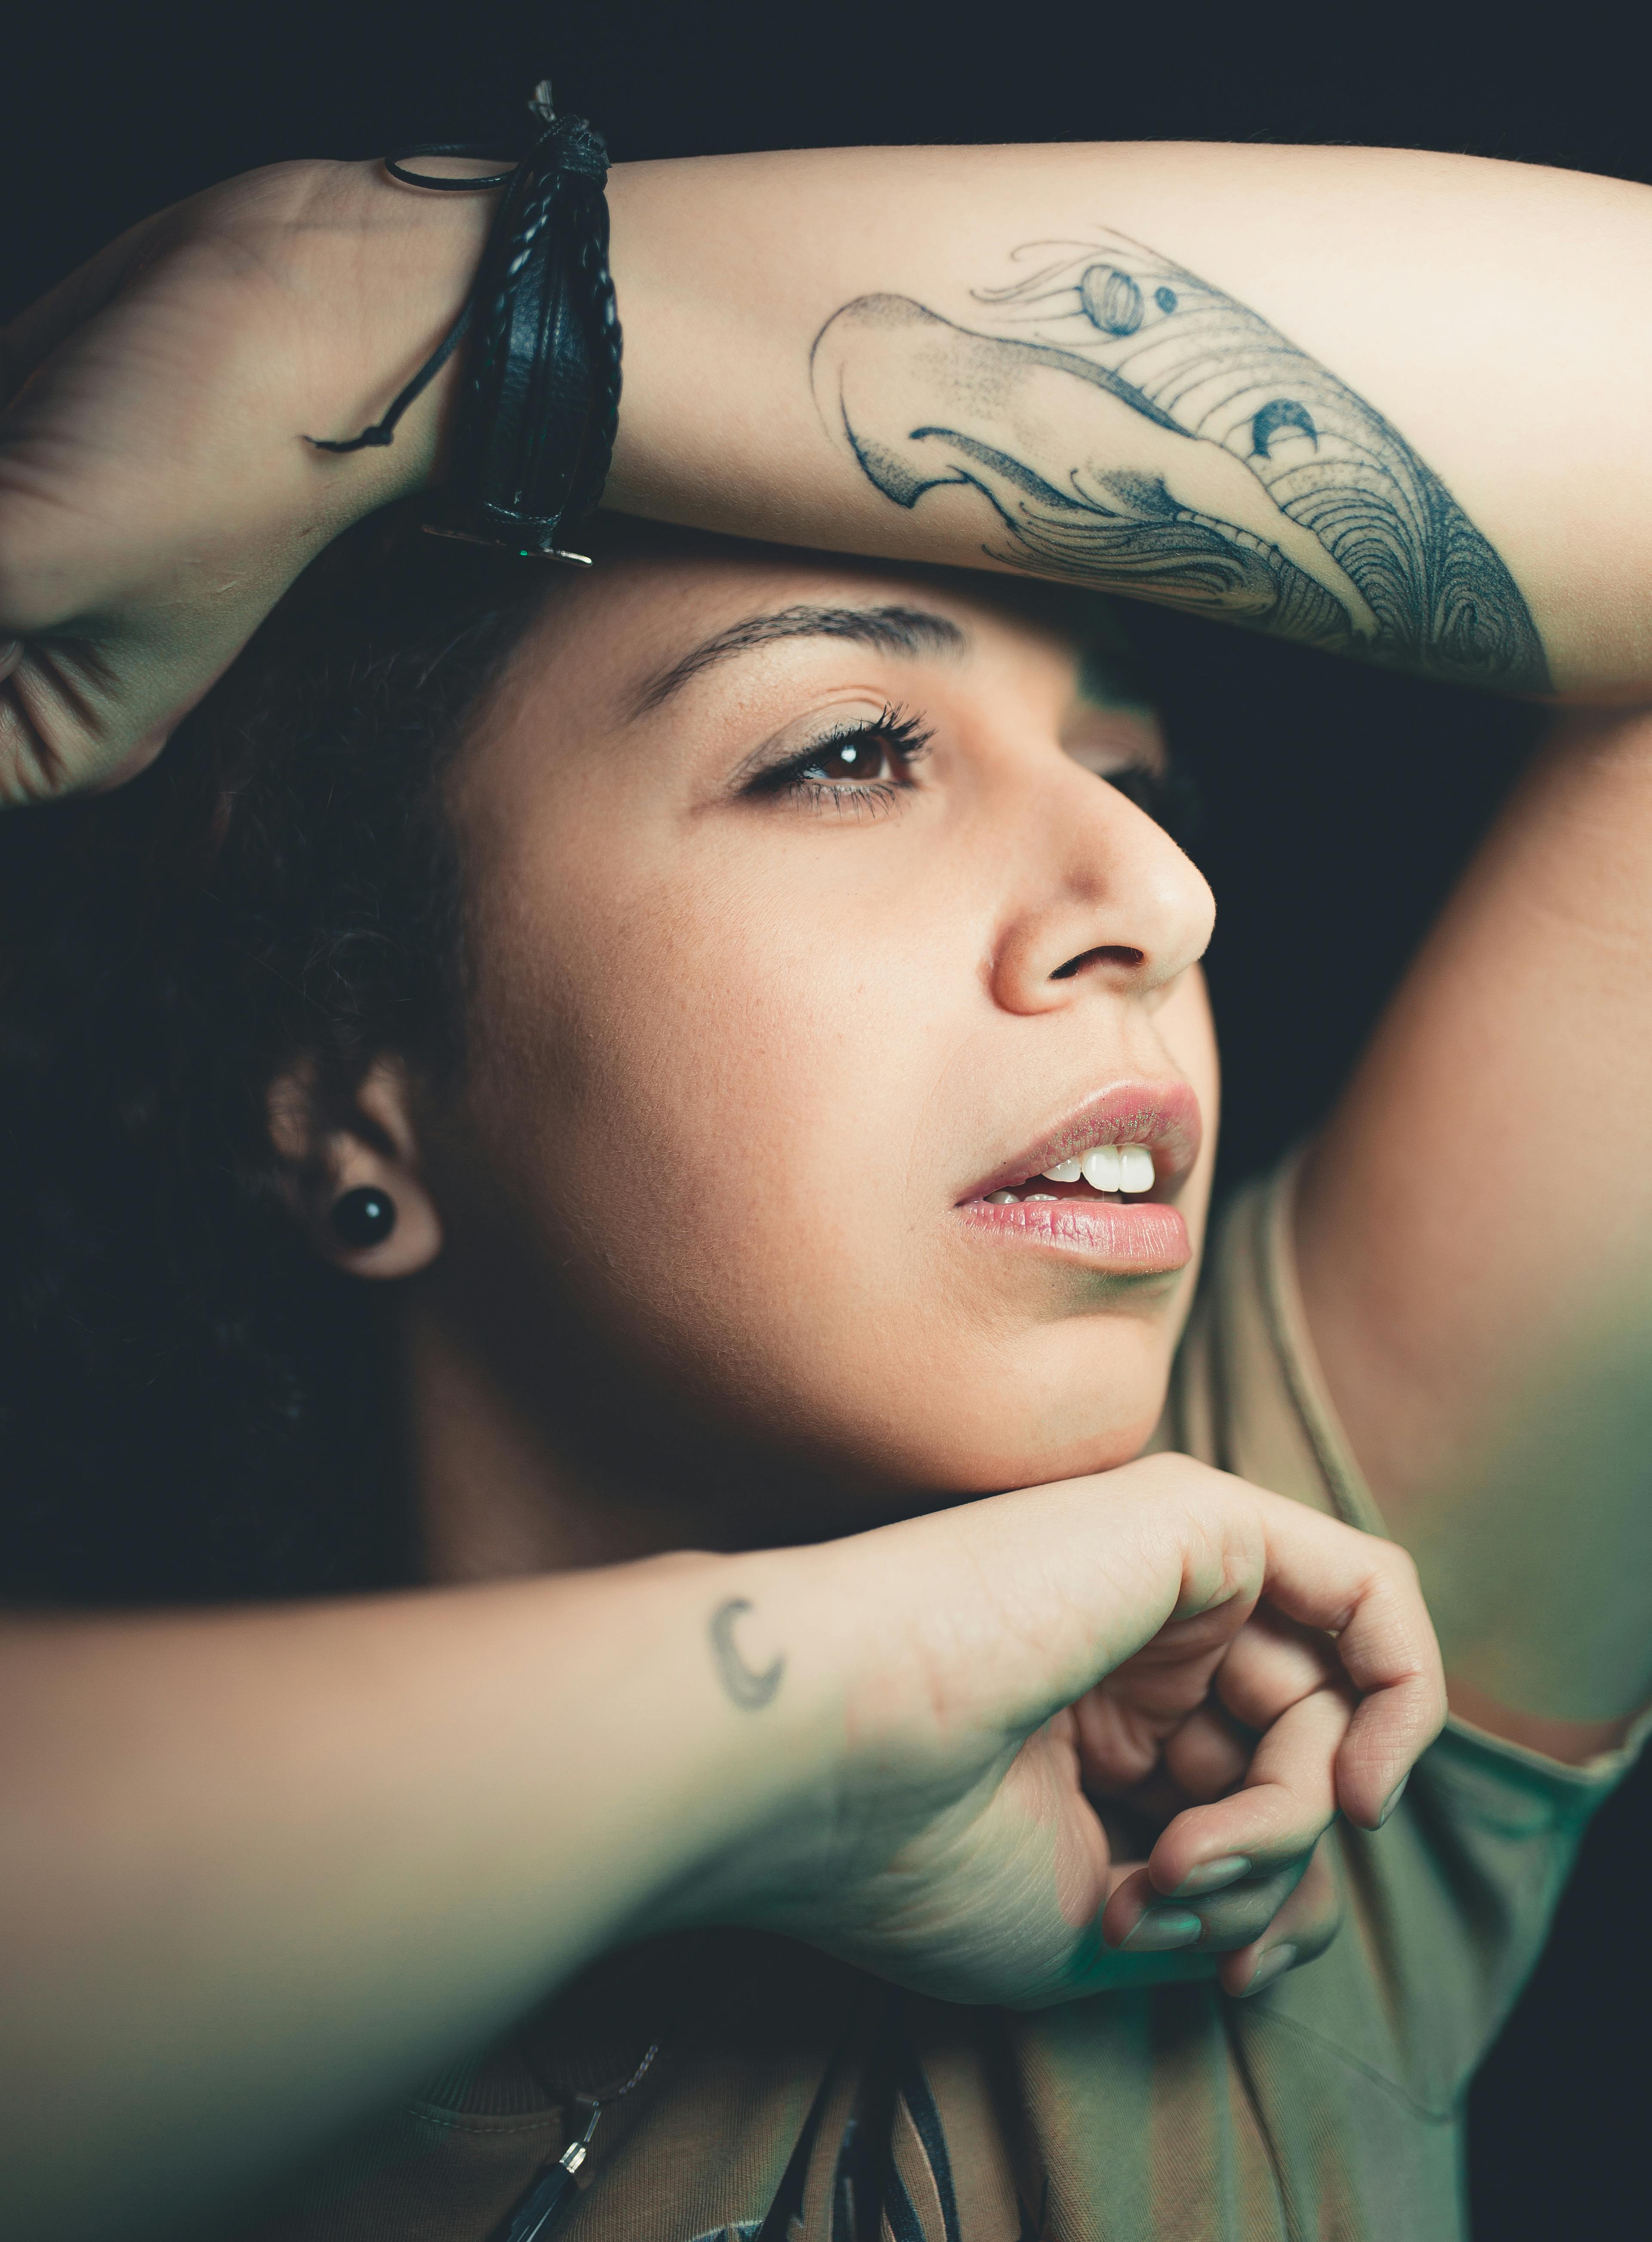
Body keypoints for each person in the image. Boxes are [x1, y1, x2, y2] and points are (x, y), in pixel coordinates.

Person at [0, 136, 1648, 2242]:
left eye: (1135, 779)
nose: (1157, 892)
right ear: (346, 1089)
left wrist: (387, 308)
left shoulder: (1277, 1788)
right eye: (853, 752)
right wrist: (831, 1727)